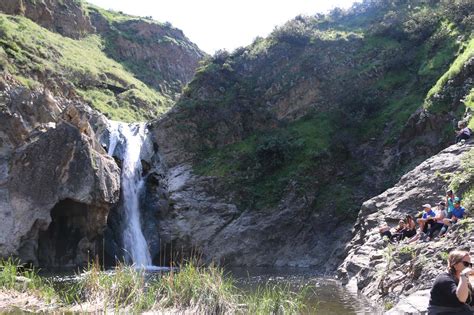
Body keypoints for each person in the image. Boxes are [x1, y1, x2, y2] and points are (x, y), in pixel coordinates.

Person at [427, 249, 474, 314]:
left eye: (470, 264)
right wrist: (463, 275)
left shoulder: (462, 279)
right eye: (466, 263)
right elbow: (462, 299)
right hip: (442, 312)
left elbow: (470, 300)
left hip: (458, 310)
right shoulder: (444, 279)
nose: (469, 267)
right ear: (454, 264)